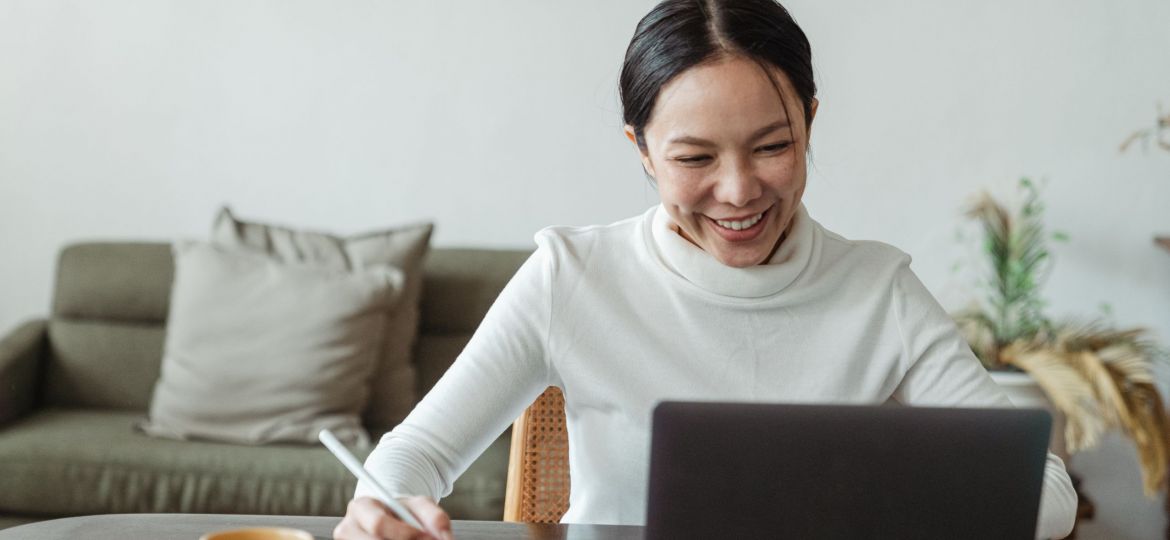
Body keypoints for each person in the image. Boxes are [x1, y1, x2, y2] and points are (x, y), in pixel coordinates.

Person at [334, 1, 1078, 539]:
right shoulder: (572, 276)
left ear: (810, 123)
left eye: (773, 146)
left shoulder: (878, 291)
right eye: (694, 158)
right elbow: (416, 453)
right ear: (643, 151)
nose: (739, 190)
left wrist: (882, 498)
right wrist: (381, 512)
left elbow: (1044, 493)